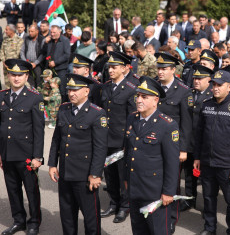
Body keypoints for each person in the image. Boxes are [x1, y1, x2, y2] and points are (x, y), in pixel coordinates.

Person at [48, 73, 108, 235]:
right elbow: (56, 140)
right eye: (69, 90)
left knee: (90, 218)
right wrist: (53, 164)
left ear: (86, 92)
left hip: (84, 175)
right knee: (67, 216)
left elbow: (100, 147)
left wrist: (95, 174)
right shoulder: (64, 109)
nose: (71, 93)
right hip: (65, 173)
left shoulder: (97, 113)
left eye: (76, 90)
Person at [194, 70, 230, 235]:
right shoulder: (206, 104)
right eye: (214, 85)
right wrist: (197, 157)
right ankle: (210, 227)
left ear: (229, 87)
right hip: (208, 162)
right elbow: (199, 134)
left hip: (227, 165)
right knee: (209, 198)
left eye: (219, 85)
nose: (215, 88)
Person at [123, 76, 180, 235]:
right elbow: (128, 152)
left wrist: (168, 191)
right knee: (138, 229)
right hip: (135, 187)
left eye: (144, 97)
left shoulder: (167, 125)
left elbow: (172, 163)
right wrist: (126, 179)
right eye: (138, 96)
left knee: (157, 230)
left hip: (154, 191)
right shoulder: (132, 118)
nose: (139, 100)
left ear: (155, 100)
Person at [0, 59, 45, 235]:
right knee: (12, 189)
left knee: (31, 190)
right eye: (13, 75)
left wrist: (37, 157)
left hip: (26, 154)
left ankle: (34, 222)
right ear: (8, 75)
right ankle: (19, 220)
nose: (16, 78)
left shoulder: (35, 97)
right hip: (7, 153)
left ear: (26, 76)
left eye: (20, 75)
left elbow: (39, 130)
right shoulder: (2, 96)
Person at [155, 52, 193, 233]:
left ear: (173, 70)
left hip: (172, 145)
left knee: (172, 182)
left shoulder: (183, 90)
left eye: (164, 69)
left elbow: (186, 124)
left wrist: (183, 149)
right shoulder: (152, 85)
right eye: (159, 68)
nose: (160, 72)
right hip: (152, 143)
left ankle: (171, 218)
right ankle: (156, 212)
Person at [99, 51, 139, 223]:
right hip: (105, 139)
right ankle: (113, 203)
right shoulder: (106, 86)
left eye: (115, 67)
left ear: (124, 68)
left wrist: (127, 142)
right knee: (110, 175)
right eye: (109, 67)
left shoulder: (131, 89)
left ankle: (124, 206)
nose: (111, 70)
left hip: (121, 141)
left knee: (123, 176)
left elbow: (133, 118)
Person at [180, 65, 214, 212]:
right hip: (190, 142)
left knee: (206, 179)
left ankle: (208, 207)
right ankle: (189, 199)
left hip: (205, 144)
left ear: (209, 80)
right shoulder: (188, 94)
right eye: (194, 78)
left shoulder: (212, 96)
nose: (196, 81)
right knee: (189, 175)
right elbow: (184, 122)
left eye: (200, 79)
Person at [45, 25, 71, 102]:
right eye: (51, 32)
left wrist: (55, 62)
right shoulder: (50, 41)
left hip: (61, 69)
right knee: (50, 89)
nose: (52, 34)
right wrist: (45, 42)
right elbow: (44, 53)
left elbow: (67, 55)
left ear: (59, 32)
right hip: (50, 70)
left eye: (54, 32)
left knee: (61, 89)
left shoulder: (65, 40)